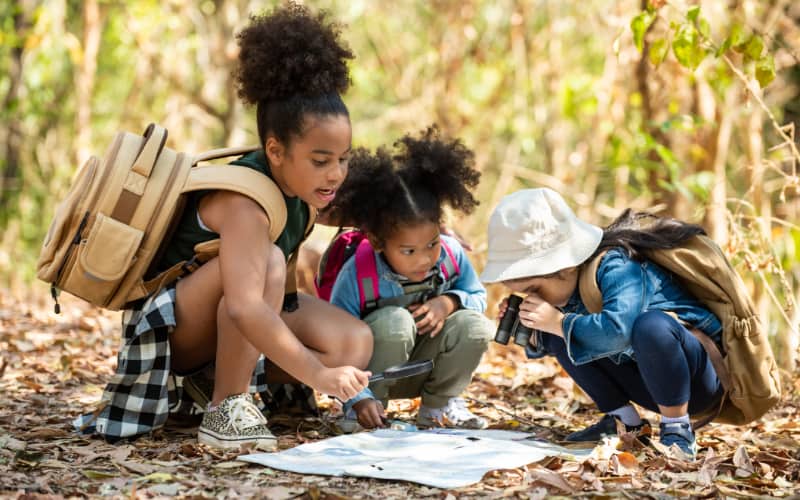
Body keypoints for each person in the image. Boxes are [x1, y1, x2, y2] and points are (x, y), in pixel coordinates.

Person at [77, 3, 373, 450]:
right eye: (321, 160)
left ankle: (218, 382)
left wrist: (439, 234)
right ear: (275, 151)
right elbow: (244, 308)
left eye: (343, 160)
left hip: (235, 311)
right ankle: (225, 406)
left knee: (353, 341)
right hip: (172, 330)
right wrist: (319, 375)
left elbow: (372, 215)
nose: (335, 174)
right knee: (269, 263)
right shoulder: (245, 203)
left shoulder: (306, 190)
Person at [480, 188, 725, 460]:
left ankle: (677, 429)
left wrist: (559, 322)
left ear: (566, 266)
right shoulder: (565, 289)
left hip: (695, 382)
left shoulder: (619, 266)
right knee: (560, 331)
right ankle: (624, 422)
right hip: (646, 382)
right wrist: (534, 328)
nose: (532, 298)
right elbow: (559, 342)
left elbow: (618, 332)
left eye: (534, 289)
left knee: (650, 326)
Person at [326, 127, 494, 430]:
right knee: (395, 323)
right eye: (408, 250)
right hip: (371, 376)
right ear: (378, 242)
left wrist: (450, 301)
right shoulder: (358, 274)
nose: (424, 258)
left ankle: (439, 406)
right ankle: (367, 410)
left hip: (425, 368)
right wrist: (357, 396)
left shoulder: (451, 255)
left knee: (476, 326)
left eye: (432, 243)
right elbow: (337, 340)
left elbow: (479, 297)